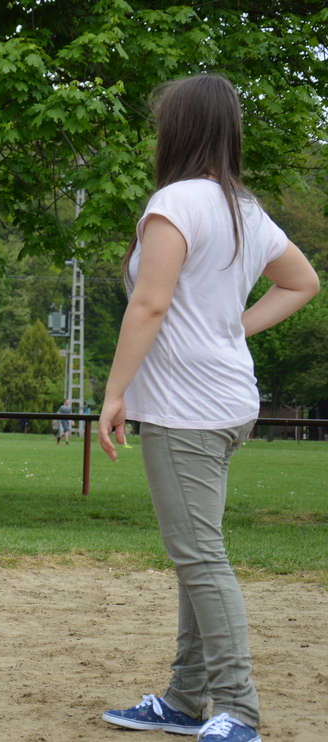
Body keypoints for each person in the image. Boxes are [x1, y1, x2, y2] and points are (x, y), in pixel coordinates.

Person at [98, 74, 319, 742]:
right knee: (198, 552)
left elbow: (150, 304)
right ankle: (185, 698)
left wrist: (114, 393)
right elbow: (302, 282)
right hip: (226, 402)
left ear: (178, 129)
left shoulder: (175, 203)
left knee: (199, 557)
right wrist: (230, 331)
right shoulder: (244, 209)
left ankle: (237, 708)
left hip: (187, 409)